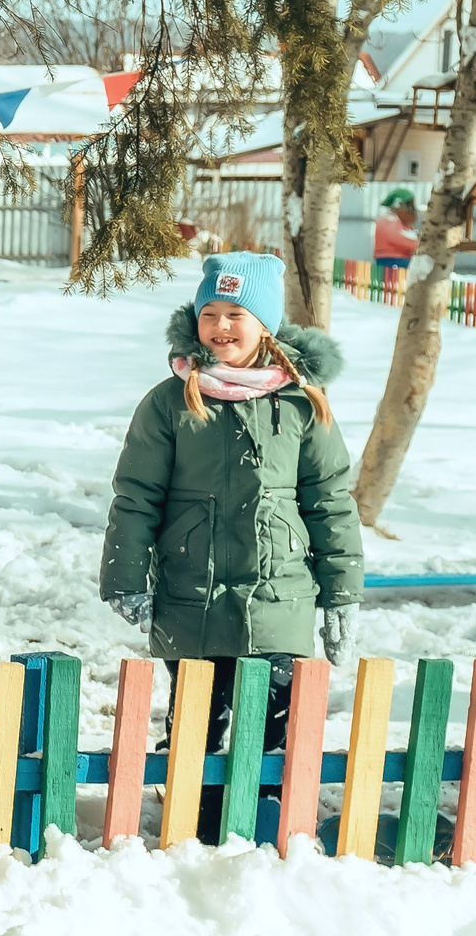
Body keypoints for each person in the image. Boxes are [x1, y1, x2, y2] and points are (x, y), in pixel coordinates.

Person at [101, 252, 363, 842]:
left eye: (236, 314)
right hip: (191, 593)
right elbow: (136, 495)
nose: (221, 326)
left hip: (279, 596)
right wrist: (124, 576)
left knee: (272, 720)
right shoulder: (170, 401)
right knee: (199, 717)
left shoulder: (301, 404)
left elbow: (330, 501)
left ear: (265, 324)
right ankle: (197, 830)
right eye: (210, 312)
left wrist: (342, 593)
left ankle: (261, 828)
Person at [373, 187, 418, 270]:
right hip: (391, 259)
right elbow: (396, 237)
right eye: (408, 205)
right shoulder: (388, 220)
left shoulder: (402, 221)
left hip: (403, 259)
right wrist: (417, 244)